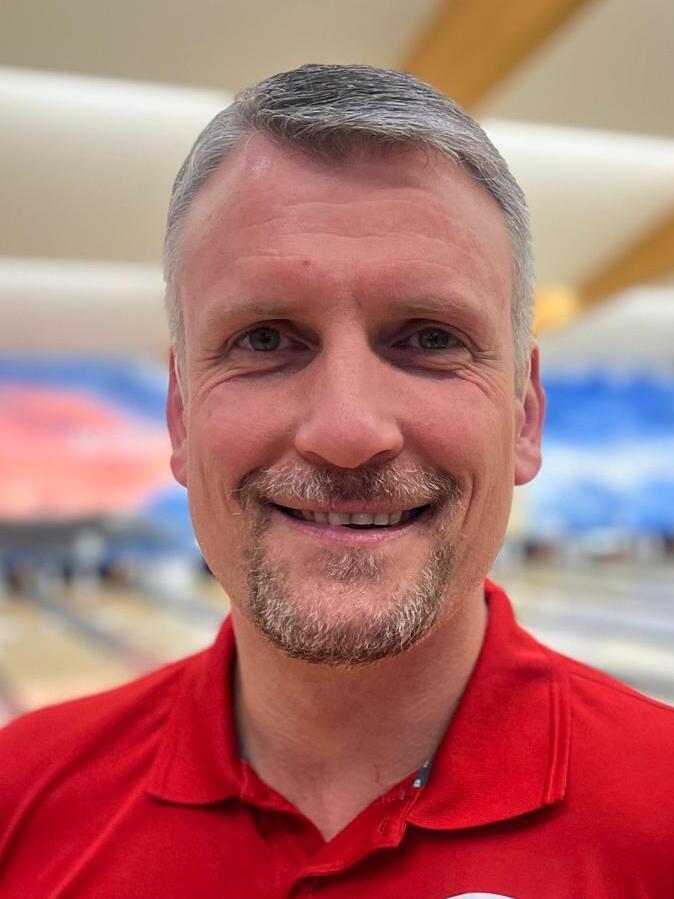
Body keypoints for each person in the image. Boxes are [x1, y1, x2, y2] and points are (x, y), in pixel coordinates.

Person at [0, 64, 672, 899]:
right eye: (265, 339)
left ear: (525, 416)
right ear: (179, 417)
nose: (349, 430)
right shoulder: (17, 800)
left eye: (429, 338)